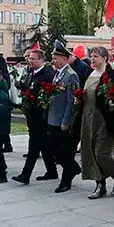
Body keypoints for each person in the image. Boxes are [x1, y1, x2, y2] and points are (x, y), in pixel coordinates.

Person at [81, 47, 114, 199]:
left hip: (104, 119)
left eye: (96, 56)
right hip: (88, 118)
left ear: (105, 58)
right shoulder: (90, 73)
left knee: (101, 153)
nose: (92, 59)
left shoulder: (110, 75)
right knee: (90, 152)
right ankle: (100, 185)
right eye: (91, 56)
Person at [13, 49, 59, 184]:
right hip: (31, 114)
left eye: (33, 58)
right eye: (29, 58)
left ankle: (25, 174)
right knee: (44, 145)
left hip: (41, 116)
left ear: (41, 60)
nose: (30, 60)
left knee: (33, 146)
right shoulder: (30, 72)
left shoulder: (47, 74)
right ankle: (52, 171)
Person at [47, 43, 81, 193]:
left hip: (62, 121)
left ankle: (66, 180)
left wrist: (66, 121)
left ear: (64, 59)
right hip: (53, 118)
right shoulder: (58, 73)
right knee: (55, 151)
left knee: (66, 152)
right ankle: (73, 168)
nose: (52, 60)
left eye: (55, 58)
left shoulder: (71, 75)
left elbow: (71, 101)